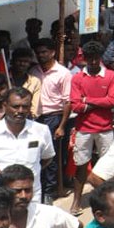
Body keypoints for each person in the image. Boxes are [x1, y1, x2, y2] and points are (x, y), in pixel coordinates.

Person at [0, 89, 55, 207]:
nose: (20, 111)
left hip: (30, 199)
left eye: (25, 106)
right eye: (15, 106)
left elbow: (46, 158)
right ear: (5, 105)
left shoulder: (41, 130)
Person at [67, 43, 114, 215]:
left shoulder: (111, 76)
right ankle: (76, 202)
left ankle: (110, 199)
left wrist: (87, 100)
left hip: (105, 128)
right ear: (85, 59)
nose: (94, 62)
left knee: (109, 166)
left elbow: (112, 101)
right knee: (81, 166)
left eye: (97, 58)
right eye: (91, 59)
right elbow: (75, 106)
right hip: (83, 129)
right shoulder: (77, 78)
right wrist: (99, 101)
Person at [30, 41, 70, 202]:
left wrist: (61, 126)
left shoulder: (63, 73)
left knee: (51, 156)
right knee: (37, 154)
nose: (41, 55)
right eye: (38, 52)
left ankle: (49, 192)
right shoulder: (33, 71)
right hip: (36, 117)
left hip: (54, 116)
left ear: (53, 52)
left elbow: (68, 102)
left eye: (44, 52)